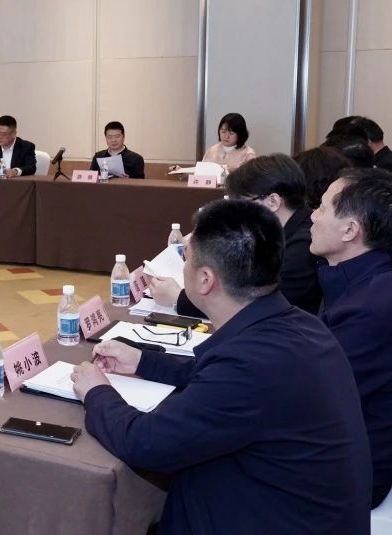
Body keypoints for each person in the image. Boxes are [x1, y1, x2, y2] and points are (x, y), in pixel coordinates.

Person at [71, 199, 371, 534]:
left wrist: (96, 391)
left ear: (205, 280)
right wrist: (143, 361)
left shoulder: (250, 365)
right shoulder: (297, 323)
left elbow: (145, 443)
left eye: (186, 258)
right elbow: (214, 376)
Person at [151, 154, 323, 316]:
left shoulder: (304, 245)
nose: (238, 212)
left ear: (273, 202)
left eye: (241, 204)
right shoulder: (279, 231)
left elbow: (252, 306)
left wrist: (177, 298)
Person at [311, 168, 392, 508]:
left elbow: (310, 392)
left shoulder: (371, 306)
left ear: (350, 230)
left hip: (348, 469)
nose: (312, 216)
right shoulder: (361, 281)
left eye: (321, 208)